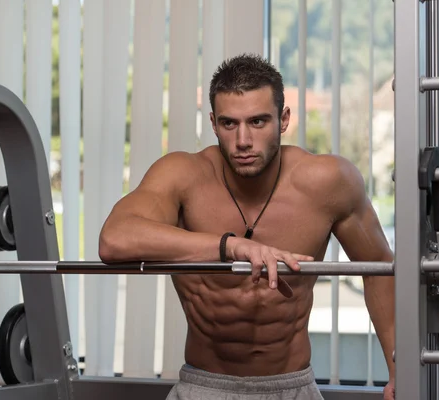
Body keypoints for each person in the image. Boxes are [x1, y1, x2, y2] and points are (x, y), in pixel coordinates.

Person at [99, 53, 395, 400]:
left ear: (283, 119)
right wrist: (231, 246)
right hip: (205, 387)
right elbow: (113, 240)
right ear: (213, 123)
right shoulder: (183, 176)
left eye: (257, 122)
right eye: (229, 124)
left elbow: (379, 270)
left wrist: (397, 368)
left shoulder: (328, 181)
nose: (242, 141)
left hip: (291, 388)